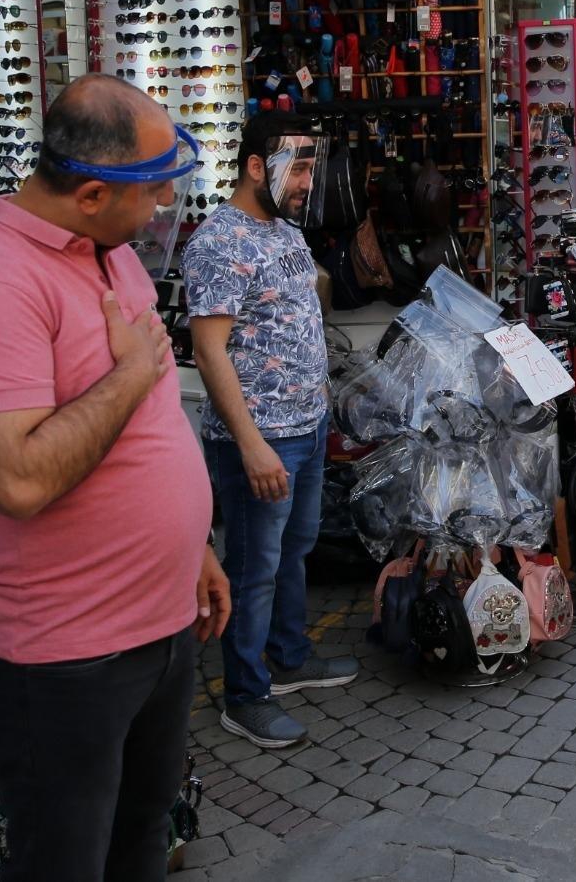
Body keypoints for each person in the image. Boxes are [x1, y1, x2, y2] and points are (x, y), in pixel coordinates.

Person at [0, 74, 232, 882]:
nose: (165, 205)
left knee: (142, 845)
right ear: (93, 192)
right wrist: (129, 374)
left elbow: (150, 430)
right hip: (62, 659)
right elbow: (20, 479)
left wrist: (190, 544)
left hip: (157, 628)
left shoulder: (112, 253)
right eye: (156, 192)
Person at [185, 120, 358, 750]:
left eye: (312, 167)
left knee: (297, 546)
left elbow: (304, 300)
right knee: (254, 567)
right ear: (258, 165)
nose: (308, 182)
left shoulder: (285, 230)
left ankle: (288, 656)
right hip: (259, 440)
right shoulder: (217, 243)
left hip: (307, 428)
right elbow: (208, 352)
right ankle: (245, 694)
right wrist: (252, 442)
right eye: (301, 167)